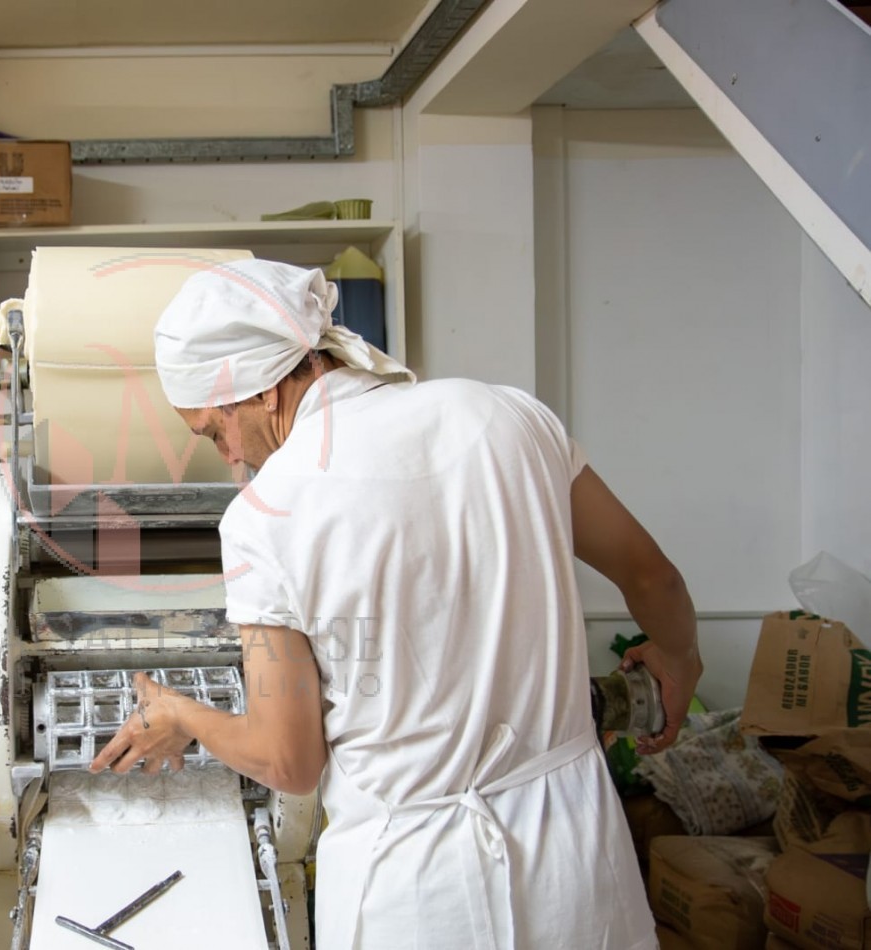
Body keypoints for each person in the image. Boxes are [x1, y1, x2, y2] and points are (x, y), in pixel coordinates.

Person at [89, 258, 701, 949]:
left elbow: (289, 760)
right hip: (575, 865)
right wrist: (678, 658)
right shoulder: (510, 416)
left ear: (256, 392)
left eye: (213, 431)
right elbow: (655, 581)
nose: (230, 459)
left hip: (416, 887)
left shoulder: (265, 514)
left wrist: (182, 716)